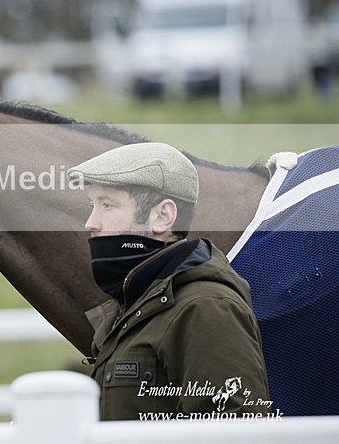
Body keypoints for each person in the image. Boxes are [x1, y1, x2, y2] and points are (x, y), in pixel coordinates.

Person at [69, 142, 270, 421]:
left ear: (163, 216)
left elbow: (236, 432)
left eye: (107, 205)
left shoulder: (206, 308)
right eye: (92, 206)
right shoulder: (130, 306)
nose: (90, 223)